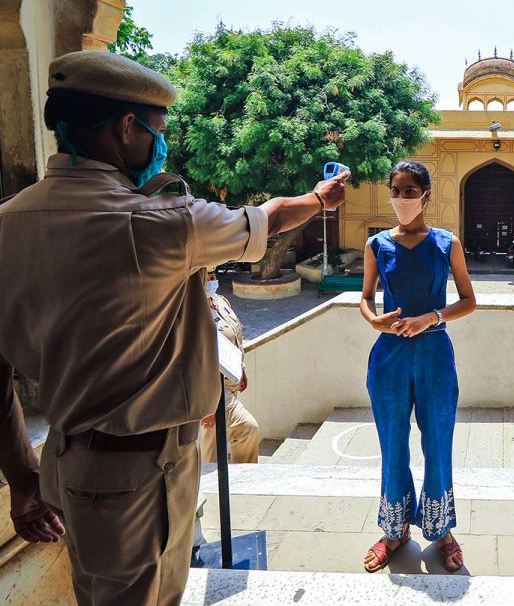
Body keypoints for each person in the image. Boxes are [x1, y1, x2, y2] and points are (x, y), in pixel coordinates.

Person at [0, 50, 348, 606]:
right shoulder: (156, 223)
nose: (160, 145)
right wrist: (320, 198)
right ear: (124, 128)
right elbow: (273, 217)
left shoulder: (8, 222)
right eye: (157, 131)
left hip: (66, 464)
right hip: (139, 475)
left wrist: (21, 480)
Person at [359, 160, 476, 573]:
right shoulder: (377, 244)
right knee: (392, 445)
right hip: (389, 357)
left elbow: (468, 300)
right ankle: (394, 530)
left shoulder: (447, 243)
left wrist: (432, 317)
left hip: (434, 356)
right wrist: (374, 319)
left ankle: (441, 528)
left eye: (410, 190)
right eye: (396, 189)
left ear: (426, 194)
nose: (402, 197)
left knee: (437, 443)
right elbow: (366, 297)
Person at [199, 271, 260, 464]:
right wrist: (205, 404)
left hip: (230, 384)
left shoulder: (221, 301)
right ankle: (245, 478)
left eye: (213, 276)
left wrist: (241, 369)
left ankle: (221, 484)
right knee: (247, 428)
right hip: (211, 389)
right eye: (206, 277)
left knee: (212, 444)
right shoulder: (192, 310)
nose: (211, 281)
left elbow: (234, 334)